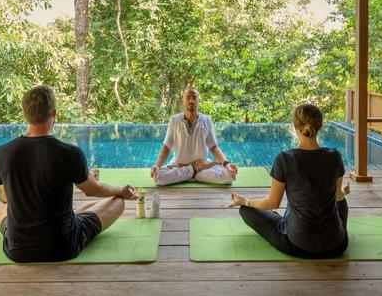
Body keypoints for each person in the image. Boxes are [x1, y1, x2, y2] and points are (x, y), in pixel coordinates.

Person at [0, 85, 136, 262]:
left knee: (1, 208)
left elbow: (5, 198)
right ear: (53, 114)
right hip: (62, 246)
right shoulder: (70, 153)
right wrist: (120, 191)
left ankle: (65, 219)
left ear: (25, 114)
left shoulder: (3, 152)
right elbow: (92, 189)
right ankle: (70, 218)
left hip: (17, 249)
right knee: (117, 203)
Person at [229, 103, 350, 258]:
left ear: (294, 126)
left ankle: (280, 219)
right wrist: (342, 193)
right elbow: (338, 196)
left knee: (246, 211)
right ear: (320, 125)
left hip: (298, 245)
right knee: (341, 201)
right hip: (337, 245)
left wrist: (245, 202)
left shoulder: (285, 159)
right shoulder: (334, 156)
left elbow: (272, 203)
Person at [150, 87, 238, 186]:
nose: (191, 100)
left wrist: (227, 164)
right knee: (158, 178)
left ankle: (189, 173)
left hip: (201, 166)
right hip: (180, 165)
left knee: (229, 176)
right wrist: (157, 166)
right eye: (188, 97)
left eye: (194, 97)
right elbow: (166, 147)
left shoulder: (206, 120)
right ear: (183, 101)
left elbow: (213, 147)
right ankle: (194, 170)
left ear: (198, 100)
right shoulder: (174, 120)